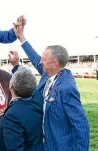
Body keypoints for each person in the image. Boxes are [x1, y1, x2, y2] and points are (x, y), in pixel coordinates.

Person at [11, 18, 90, 151]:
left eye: (44, 59)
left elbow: (81, 126)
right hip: (43, 144)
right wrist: (21, 38)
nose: (40, 62)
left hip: (59, 146)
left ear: (54, 63)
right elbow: (35, 58)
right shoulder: (48, 73)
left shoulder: (67, 88)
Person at [0, 66, 44, 151]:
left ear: (11, 85)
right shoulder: (38, 100)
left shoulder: (12, 116)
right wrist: (16, 66)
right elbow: (29, 84)